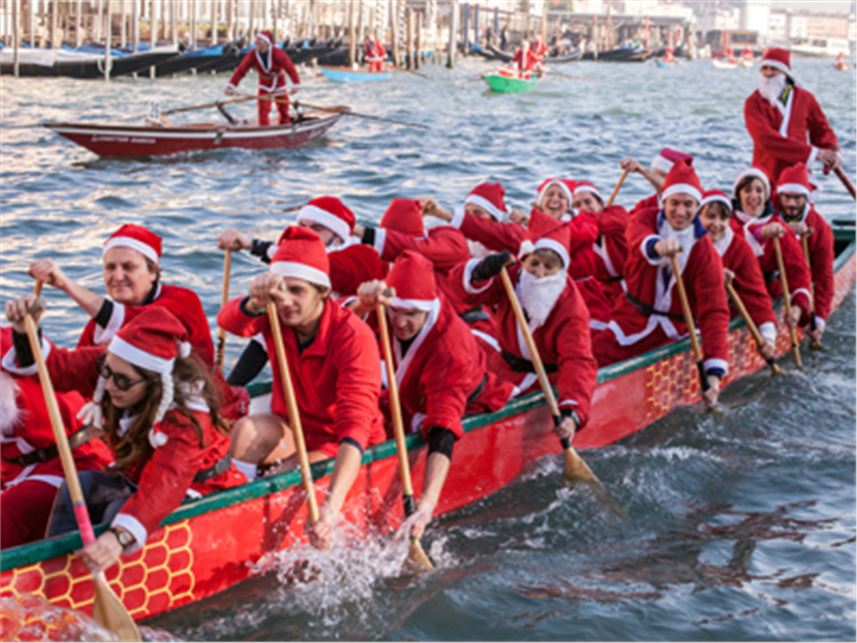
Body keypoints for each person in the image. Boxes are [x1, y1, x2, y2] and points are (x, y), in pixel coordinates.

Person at [3, 303, 244, 570]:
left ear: (154, 382)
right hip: (136, 477)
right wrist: (26, 334)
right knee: (78, 487)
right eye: (107, 373)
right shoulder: (116, 365)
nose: (108, 385)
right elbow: (58, 368)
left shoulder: (186, 416)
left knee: (115, 512)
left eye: (122, 381)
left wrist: (119, 537)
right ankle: (59, 573)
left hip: (196, 491)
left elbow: (166, 482)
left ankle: (105, 571)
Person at [217, 227, 386, 549]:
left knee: (282, 474)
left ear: (322, 291)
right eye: (281, 291)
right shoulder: (274, 313)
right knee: (245, 431)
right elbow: (229, 322)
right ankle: (230, 501)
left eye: (297, 291)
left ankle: (253, 515)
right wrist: (254, 302)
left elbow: (355, 428)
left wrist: (331, 510)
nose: (287, 302)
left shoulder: (353, 336)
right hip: (294, 426)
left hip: (340, 442)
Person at [350, 252, 513, 538]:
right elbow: (343, 328)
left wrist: (426, 505)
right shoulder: (387, 310)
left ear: (426, 310)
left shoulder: (451, 348)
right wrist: (361, 304)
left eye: (410, 314)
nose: (400, 322)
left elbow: (443, 428)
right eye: (396, 311)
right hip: (410, 398)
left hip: (465, 406)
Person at [448, 209, 598, 444]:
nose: (540, 273)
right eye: (534, 264)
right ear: (524, 260)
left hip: (543, 381)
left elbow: (578, 360)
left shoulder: (571, 307)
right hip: (500, 367)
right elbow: (462, 291)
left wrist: (571, 414)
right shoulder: (512, 276)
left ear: (561, 269)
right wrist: (479, 272)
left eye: (549, 267)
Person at [592, 162, 730, 407]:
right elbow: (637, 236)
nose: (680, 211)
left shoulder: (705, 253)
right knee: (590, 356)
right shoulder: (644, 219)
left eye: (688, 205)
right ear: (663, 202)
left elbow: (714, 312)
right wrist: (656, 246)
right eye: (674, 203)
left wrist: (714, 374)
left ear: (697, 208)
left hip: (673, 333)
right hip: (630, 321)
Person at [220, 197, 385, 387]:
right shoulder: (317, 258)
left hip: (351, 342)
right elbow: (298, 262)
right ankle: (229, 391)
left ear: (339, 237)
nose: (306, 232)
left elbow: (311, 265)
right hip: (310, 328)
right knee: (269, 327)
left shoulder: (360, 256)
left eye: (317, 228)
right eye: (302, 225)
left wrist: (254, 245)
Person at [29, 224, 214, 368]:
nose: (117, 277)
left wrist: (65, 285)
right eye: (110, 267)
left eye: (128, 267)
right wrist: (27, 333)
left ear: (153, 273)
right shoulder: (98, 323)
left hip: (194, 402)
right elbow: (76, 366)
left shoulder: (183, 300)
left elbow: (141, 322)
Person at [438, 178, 611, 328]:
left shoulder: (581, 223)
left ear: (568, 205)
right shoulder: (526, 229)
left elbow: (572, 235)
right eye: (549, 195)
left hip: (581, 295)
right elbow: (494, 233)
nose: (555, 199)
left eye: (561, 196)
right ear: (539, 203)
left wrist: (533, 222)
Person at [0, 326, 113, 549]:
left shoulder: (13, 349)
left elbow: (89, 363)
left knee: (8, 510)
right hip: (12, 469)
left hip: (68, 463)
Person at [698, 190, 777, 361]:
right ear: (697, 217)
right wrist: (715, 273)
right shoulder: (687, 242)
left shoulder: (739, 248)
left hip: (719, 315)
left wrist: (768, 336)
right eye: (710, 217)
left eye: (723, 218)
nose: (716, 224)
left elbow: (757, 295)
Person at [731, 166, 812, 331]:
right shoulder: (726, 225)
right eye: (747, 191)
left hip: (765, 296)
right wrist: (761, 232)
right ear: (738, 195)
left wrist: (797, 307)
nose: (754, 196)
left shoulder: (779, 227)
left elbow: (798, 270)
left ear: (766, 195)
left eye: (759, 191)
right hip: (732, 298)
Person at [744, 47, 839, 184]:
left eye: (773, 69)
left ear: (785, 73)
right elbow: (765, 138)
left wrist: (831, 150)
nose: (768, 73)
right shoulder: (753, 103)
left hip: (798, 175)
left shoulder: (806, 99)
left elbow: (821, 129)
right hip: (765, 175)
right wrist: (813, 153)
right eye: (764, 69)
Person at [776, 163, 834, 344]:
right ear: (779, 196)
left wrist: (820, 319)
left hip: (799, 282)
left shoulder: (820, 228)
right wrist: (786, 230)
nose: (791, 204)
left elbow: (824, 277)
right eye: (786, 197)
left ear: (807, 198)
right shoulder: (767, 214)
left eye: (797, 198)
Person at [225, 31, 301, 126]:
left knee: (283, 107)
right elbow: (241, 70)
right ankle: (264, 128)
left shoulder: (277, 53)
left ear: (266, 42)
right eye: (256, 39)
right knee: (263, 109)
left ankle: (285, 125)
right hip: (264, 83)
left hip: (279, 82)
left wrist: (296, 84)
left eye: (259, 39)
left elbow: (290, 67)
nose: (256, 42)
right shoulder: (252, 55)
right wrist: (231, 86)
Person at [571, 180, 629, 302]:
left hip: (634, 286)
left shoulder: (618, 213)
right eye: (577, 205)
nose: (583, 208)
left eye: (588, 202)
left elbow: (599, 225)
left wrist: (573, 220)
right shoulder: (576, 231)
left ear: (600, 203)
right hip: (602, 293)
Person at [620, 147, 694, 211]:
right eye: (654, 175)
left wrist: (642, 170)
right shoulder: (646, 205)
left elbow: (668, 188)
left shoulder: (695, 205)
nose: (652, 180)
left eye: (659, 176)